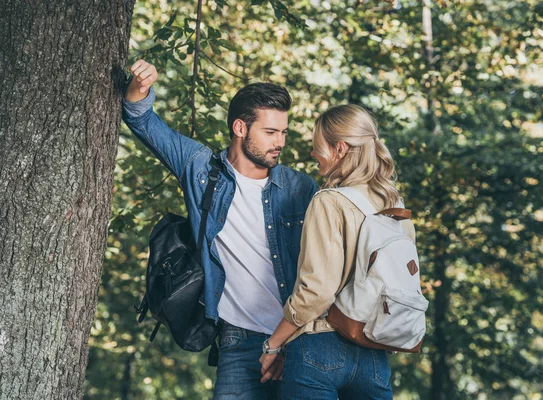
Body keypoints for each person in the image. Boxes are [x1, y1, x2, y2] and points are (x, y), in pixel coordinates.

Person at [123, 60, 319, 399]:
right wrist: (141, 89)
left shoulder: (301, 188)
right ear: (240, 128)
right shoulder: (200, 168)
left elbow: (324, 269)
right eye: (270, 133)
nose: (280, 143)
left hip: (300, 340)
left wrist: (289, 341)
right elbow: (142, 120)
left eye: (283, 132)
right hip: (237, 341)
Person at [259, 104, 399, 399]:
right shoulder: (393, 205)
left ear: (339, 148)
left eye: (317, 146)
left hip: (318, 349)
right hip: (374, 356)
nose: (313, 154)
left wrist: (274, 343)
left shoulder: (328, 202)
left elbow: (316, 293)